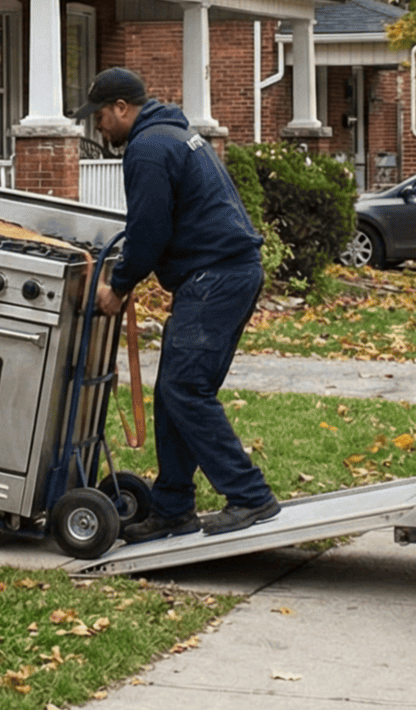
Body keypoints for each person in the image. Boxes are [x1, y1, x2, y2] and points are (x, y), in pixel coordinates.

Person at [74, 67, 280, 543]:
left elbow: (149, 232)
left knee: (185, 388)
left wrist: (118, 287)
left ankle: (250, 495)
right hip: (225, 272)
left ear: (123, 108)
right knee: (174, 392)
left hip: (216, 277)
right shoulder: (174, 133)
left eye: (101, 115)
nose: (98, 126)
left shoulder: (147, 149)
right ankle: (172, 508)